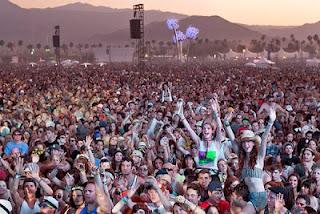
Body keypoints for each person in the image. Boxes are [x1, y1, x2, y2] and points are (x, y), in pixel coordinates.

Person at [238, 105, 276, 214]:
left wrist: (270, 122)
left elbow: (264, 138)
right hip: (249, 197)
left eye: (249, 141)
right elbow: (232, 139)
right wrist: (225, 122)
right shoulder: (243, 160)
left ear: (254, 144)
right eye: (244, 142)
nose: (246, 144)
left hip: (260, 196)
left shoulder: (259, 158)